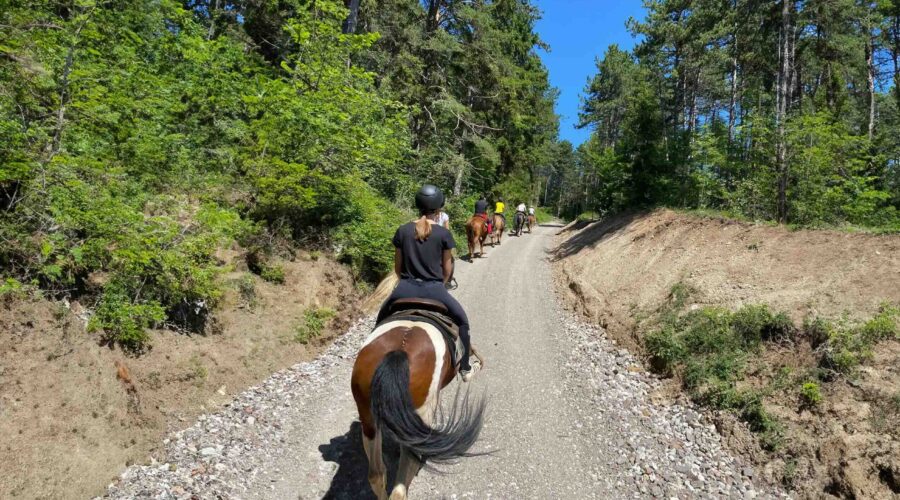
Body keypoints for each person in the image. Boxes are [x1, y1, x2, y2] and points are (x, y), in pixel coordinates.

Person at [376, 184, 473, 377]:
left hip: (404, 289)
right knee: (463, 322)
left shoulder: (402, 231)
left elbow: (398, 268)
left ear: (417, 205)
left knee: (380, 319)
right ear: (438, 208)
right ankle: (465, 367)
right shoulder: (443, 234)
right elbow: (447, 270)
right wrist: (439, 284)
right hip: (434, 290)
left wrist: (407, 281)